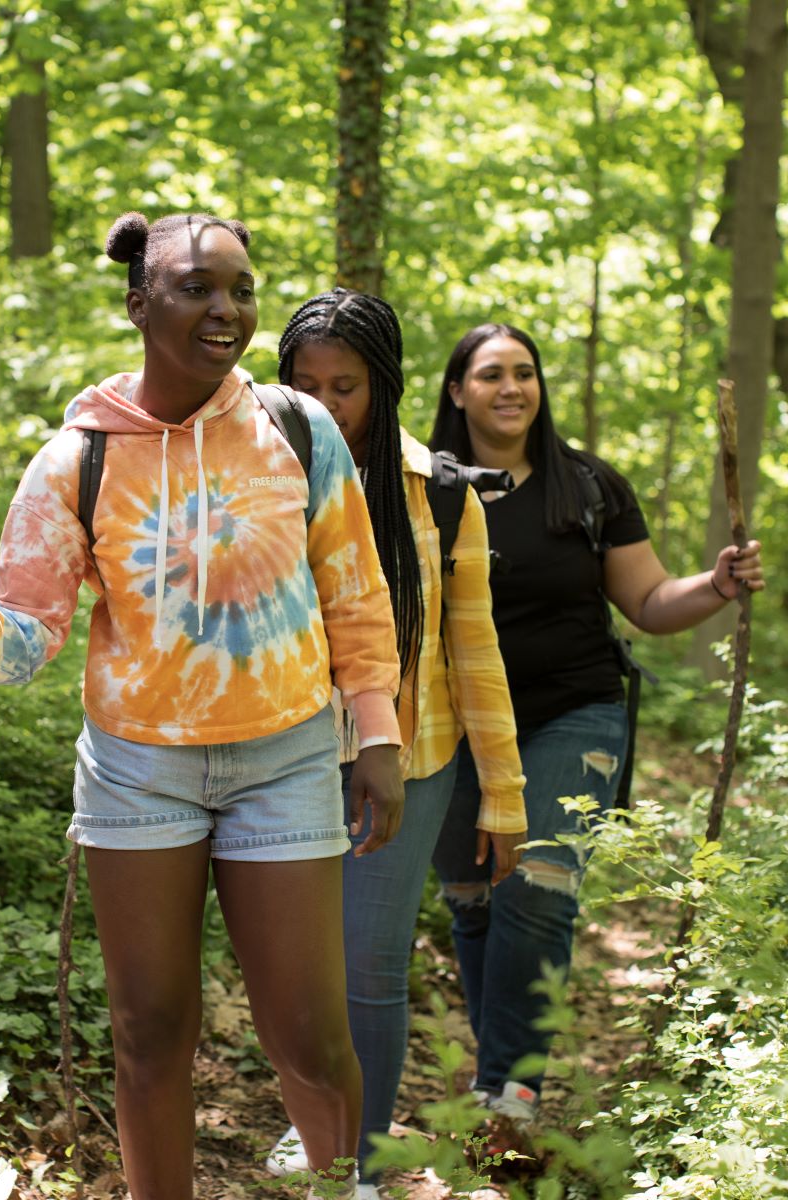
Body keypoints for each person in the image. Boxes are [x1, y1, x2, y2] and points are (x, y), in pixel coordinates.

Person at [0, 212, 405, 1199]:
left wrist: (374, 734)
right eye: (198, 288)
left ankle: (349, 1188)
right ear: (138, 302)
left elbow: (356, 596)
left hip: (289, 760)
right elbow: (27, 640)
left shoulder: (297, 430)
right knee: (148, 1032)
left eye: (241, 289)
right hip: (139, 773)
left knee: (309, 1034)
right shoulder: (77, 459)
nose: (228, 310)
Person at [425, 321, 765, 1145]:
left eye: (526, 373)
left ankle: (512, 1094)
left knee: (536, 887)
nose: (513, 388)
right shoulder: (423, 487)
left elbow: (648, 603)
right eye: (493, 374)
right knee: (473, 904)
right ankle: (499, 1069)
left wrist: (715, 585)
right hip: (455, 724)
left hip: (573, 711)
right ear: (457, 390)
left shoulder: (586, 486)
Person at [260, 289, 531, 1194]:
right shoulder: (254, 475)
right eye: (306, 384)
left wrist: (503, 796)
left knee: (367, 965)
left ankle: (362, 1165)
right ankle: (318, 1126)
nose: (326, 405)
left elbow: (477, 652)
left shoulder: (443, 495)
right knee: (297, 965)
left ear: (385, 387)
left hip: (411, 758)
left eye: (346, 386)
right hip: (283, 755)